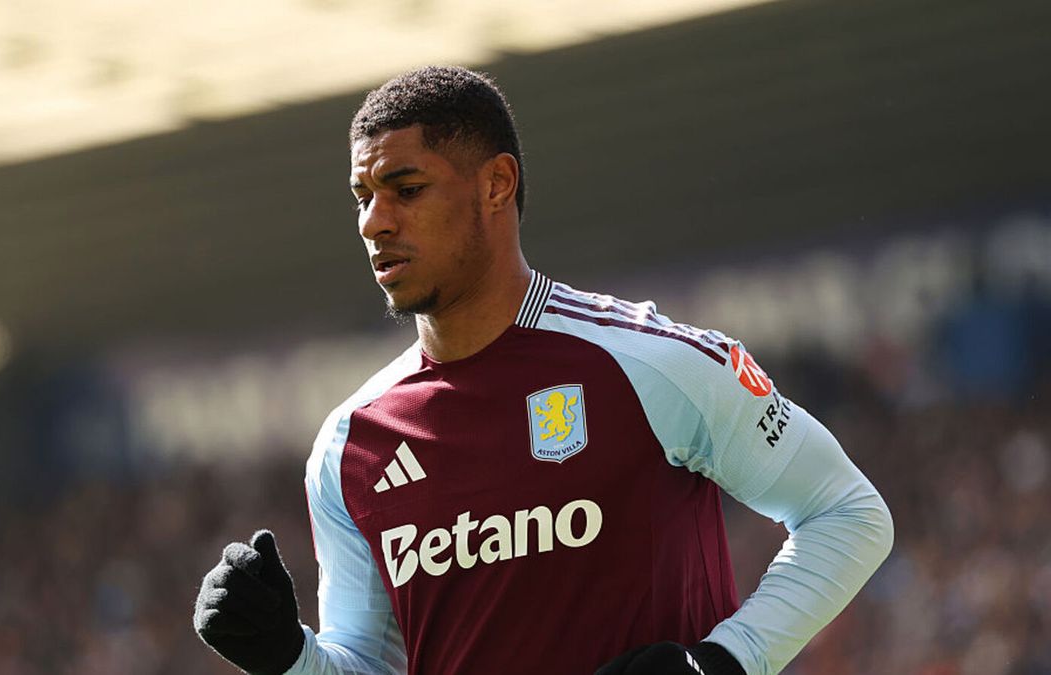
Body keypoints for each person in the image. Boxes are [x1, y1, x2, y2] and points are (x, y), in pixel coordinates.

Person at [194, 66, 894, 675]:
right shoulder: (351, 444)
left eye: (405, 188)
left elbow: (848, 513)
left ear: (497, 184)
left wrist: (723, 660)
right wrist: (286, 654)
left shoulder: (652, 361)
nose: (374, 221)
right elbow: (368, 662)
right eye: (362, 195)